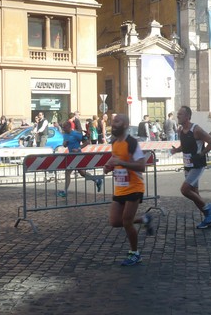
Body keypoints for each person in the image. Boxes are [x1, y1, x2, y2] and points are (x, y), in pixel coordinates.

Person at [105, 114, 154, 266]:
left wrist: (121, 162)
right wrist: (109, 165)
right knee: (114, 221)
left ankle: (135, 253)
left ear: (125, 125)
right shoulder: (114, 142)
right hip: (120, 187)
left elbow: (141, 166)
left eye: (117, 122)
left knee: (126, 221)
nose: (113, 124)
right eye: (112, 122)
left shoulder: (131, 143)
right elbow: (115, 158)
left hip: (134, 186)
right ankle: (143, 219)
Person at [169, 106, 211, 229]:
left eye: (180, 114)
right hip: (187, 165)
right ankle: (208, 218)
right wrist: (176, 150)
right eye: (178, 114)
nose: (178, 116)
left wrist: (201, 154)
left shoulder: (196, 129)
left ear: (187, 117)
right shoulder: (180, 130)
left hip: (197, 165)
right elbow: (184, 146)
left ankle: (207, 208)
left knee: (185, 190)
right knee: (194, 193)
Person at [58, 120, 103, 197]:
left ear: (69, 127)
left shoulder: (76, 134)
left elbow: (87, 142)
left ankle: (65, 192)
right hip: (71, 155)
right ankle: (97, 180)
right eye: (62, 127)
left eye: (64, 127)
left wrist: (79, 148)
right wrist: (64, 144)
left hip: (77, 155)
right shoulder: (65, 134)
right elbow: (65, 145)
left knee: (67, 172)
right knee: (82, 173)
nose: (63, 129)